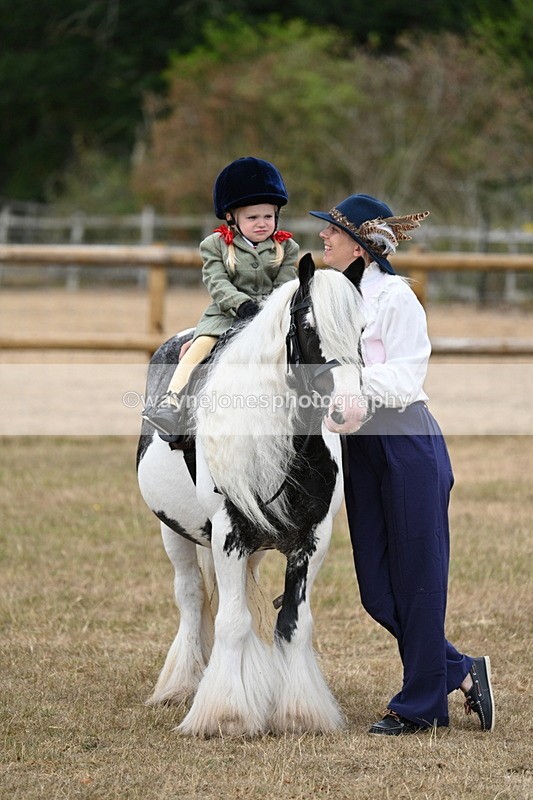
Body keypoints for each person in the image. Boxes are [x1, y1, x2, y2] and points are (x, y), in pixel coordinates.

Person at [309, 194, 495, 735]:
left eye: (333, 231)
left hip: (407, 440)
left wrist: (346, 382)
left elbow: (406, 378)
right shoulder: (331, 297)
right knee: (376, 589)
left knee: (417, 578)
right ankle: (460, 670)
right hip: (361, 445)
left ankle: (419, 707)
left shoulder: (396, 298)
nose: (323, 237)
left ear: (361, 246)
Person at [143, 157, 299, 440]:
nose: (262, 224)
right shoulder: (214, 245)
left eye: (268, 216)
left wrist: (269, 310)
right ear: (232, 217)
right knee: (199, 349)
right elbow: (217, 282)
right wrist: (241, 304)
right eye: (252, 218)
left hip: (270, 316)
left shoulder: (286, 247)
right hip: (225, 315)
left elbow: (286, 283)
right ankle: (171, 402)